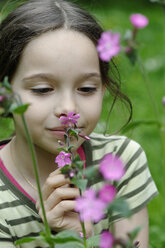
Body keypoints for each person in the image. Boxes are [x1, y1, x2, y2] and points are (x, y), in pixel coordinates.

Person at [0, 0, 158, 247]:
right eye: (42, 89)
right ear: (4, 96)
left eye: (86, 88)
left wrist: (84, 237)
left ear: (103, 89)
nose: (69, 110)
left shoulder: (120, 161)